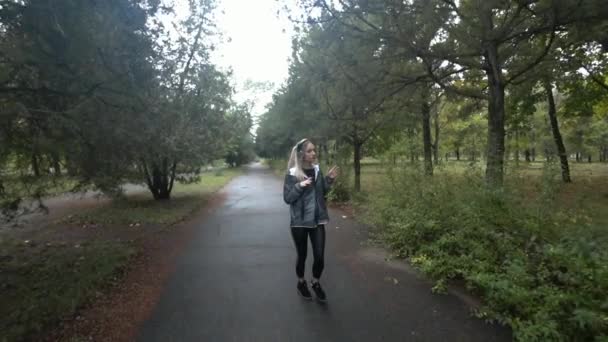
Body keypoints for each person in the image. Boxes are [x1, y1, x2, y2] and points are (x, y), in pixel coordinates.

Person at [283, 138, 339, 302]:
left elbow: (322, 193)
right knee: (302, 256)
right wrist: (300, 186)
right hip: (299, 222)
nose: (314, 153)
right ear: (301, 154)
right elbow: (287, 198)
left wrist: (328, 180)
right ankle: (301, 282)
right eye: (309, 151)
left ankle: (315, 282)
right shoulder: (292, 174)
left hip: (317, 221)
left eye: (314, 150)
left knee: (320, 257)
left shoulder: (316, 170)